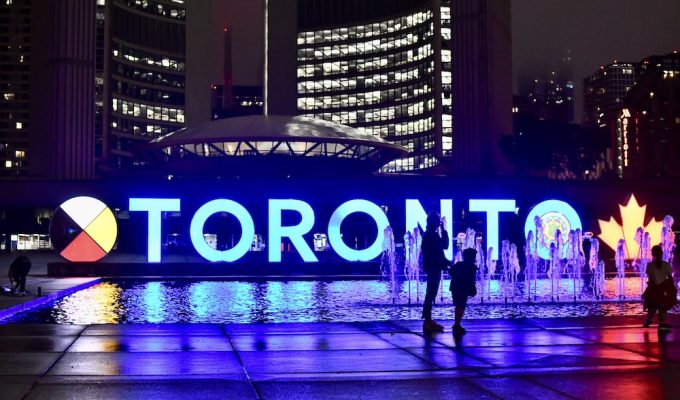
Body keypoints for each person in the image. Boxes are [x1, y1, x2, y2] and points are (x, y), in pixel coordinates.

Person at [421, 212, 450, 332]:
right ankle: (427, 321)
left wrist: (443, 230)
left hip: (434, 266)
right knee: (431, 293)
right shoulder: (430, 235)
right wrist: (445, 262)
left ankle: (428, 320)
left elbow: (443, 246)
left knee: (431, 293)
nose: (439, 223)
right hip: (434, 267)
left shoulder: (431, 234)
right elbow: (442, 248)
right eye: (437, 221)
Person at [642, 245, 677, 330]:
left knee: (652, 304)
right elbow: (670, 278)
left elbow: (650, 279)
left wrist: (649, 290)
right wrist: (672, 288)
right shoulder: (666, 265)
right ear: (661, 253)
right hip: (663, 287)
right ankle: (662, 321)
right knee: (663, 305)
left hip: (654, 287)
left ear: (653, 254)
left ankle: (649, 319)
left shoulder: (650, 265)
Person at [450, 248, 477, 335]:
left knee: (460, 306)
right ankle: (457, 324)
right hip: (461, 289)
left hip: (456, 288)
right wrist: (472, 288)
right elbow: (471, 280)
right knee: (460, 306)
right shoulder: (471, 267)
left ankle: (457, 323)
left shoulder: (459, 264)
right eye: (474, 257)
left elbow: (451, 271)